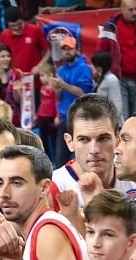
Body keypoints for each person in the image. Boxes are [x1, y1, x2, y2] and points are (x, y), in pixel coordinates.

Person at [52, 94, 136, 208]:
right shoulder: (55, 187)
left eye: (103, 139)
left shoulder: (135, 178)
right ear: (69, 142)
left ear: (118, 139)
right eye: (83, 140)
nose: (94, 150)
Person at [96, 0, 136, 118]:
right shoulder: (110, 27)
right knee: (122, 117)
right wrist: (102, 73)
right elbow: (100, 52)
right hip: (119, 80)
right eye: (130, 10)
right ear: (122, 9)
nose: (134, 12)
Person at [50, 37, 94, 167]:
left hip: (81, 118)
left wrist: (63, 84)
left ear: (77, 50)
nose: (67, 52)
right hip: (65, 118)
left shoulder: (84, 68)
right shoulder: (61, 70)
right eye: (64, 49)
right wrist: (56, 88)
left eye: (70, 48)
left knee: (83, 160)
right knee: (60, 161)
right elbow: (59, 97)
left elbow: (83, 93)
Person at [0, 7, 49, 74]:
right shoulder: (4, 35)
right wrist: (11, 70)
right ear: (7, 24)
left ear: (22, 19)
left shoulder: (35, 30)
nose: (16, 27)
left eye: (19, 24)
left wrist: (40, 66)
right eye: (13, 26)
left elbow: (48, 51)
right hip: (14, 78)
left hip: (34, 77)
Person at [91, 51, 124, 123]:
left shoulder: (111, 80)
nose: (91, 67)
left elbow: (117, 104)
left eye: (93, 65)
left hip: (111, 123)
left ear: (99, 67)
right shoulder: (99, 80)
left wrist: (112, 122)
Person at [36, 63, 60, 161]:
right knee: (43, 138)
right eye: (40, 76)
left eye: (42, 75)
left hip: (51, 116)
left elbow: (57, 102)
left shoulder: (54, 89)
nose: (40, 78)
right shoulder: (42, 88)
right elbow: (42, 102)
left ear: (50, 75)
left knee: (54, 138)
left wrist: (57, 116)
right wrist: (37, 114)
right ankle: (46, 157)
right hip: (42, 116)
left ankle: (55, 158)